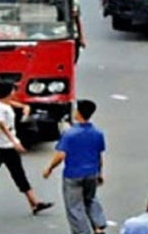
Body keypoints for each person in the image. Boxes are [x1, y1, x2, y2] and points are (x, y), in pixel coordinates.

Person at [44, 99, 107, 234]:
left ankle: (82, 231)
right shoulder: (98, 133)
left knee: (74, 206)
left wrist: (49, 168)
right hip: (92, 172)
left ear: (78, 112)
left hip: (73, 174)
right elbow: (99, 156)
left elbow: (61, 155)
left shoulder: (70, 133)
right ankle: (98, 225)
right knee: (90, 199)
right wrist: (100, 173)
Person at [0, 82, 54, 215]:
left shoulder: (1, 104)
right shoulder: (0, 108)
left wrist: (24, 106)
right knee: (7, 174)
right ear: (8, 93)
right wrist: (14, 141)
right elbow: (1, 124)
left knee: (17, 174)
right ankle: (34, 203)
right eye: (12, 91)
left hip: (5, 146)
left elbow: (11, 104)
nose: (14, 93)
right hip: (3, 146)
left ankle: (35, 203)